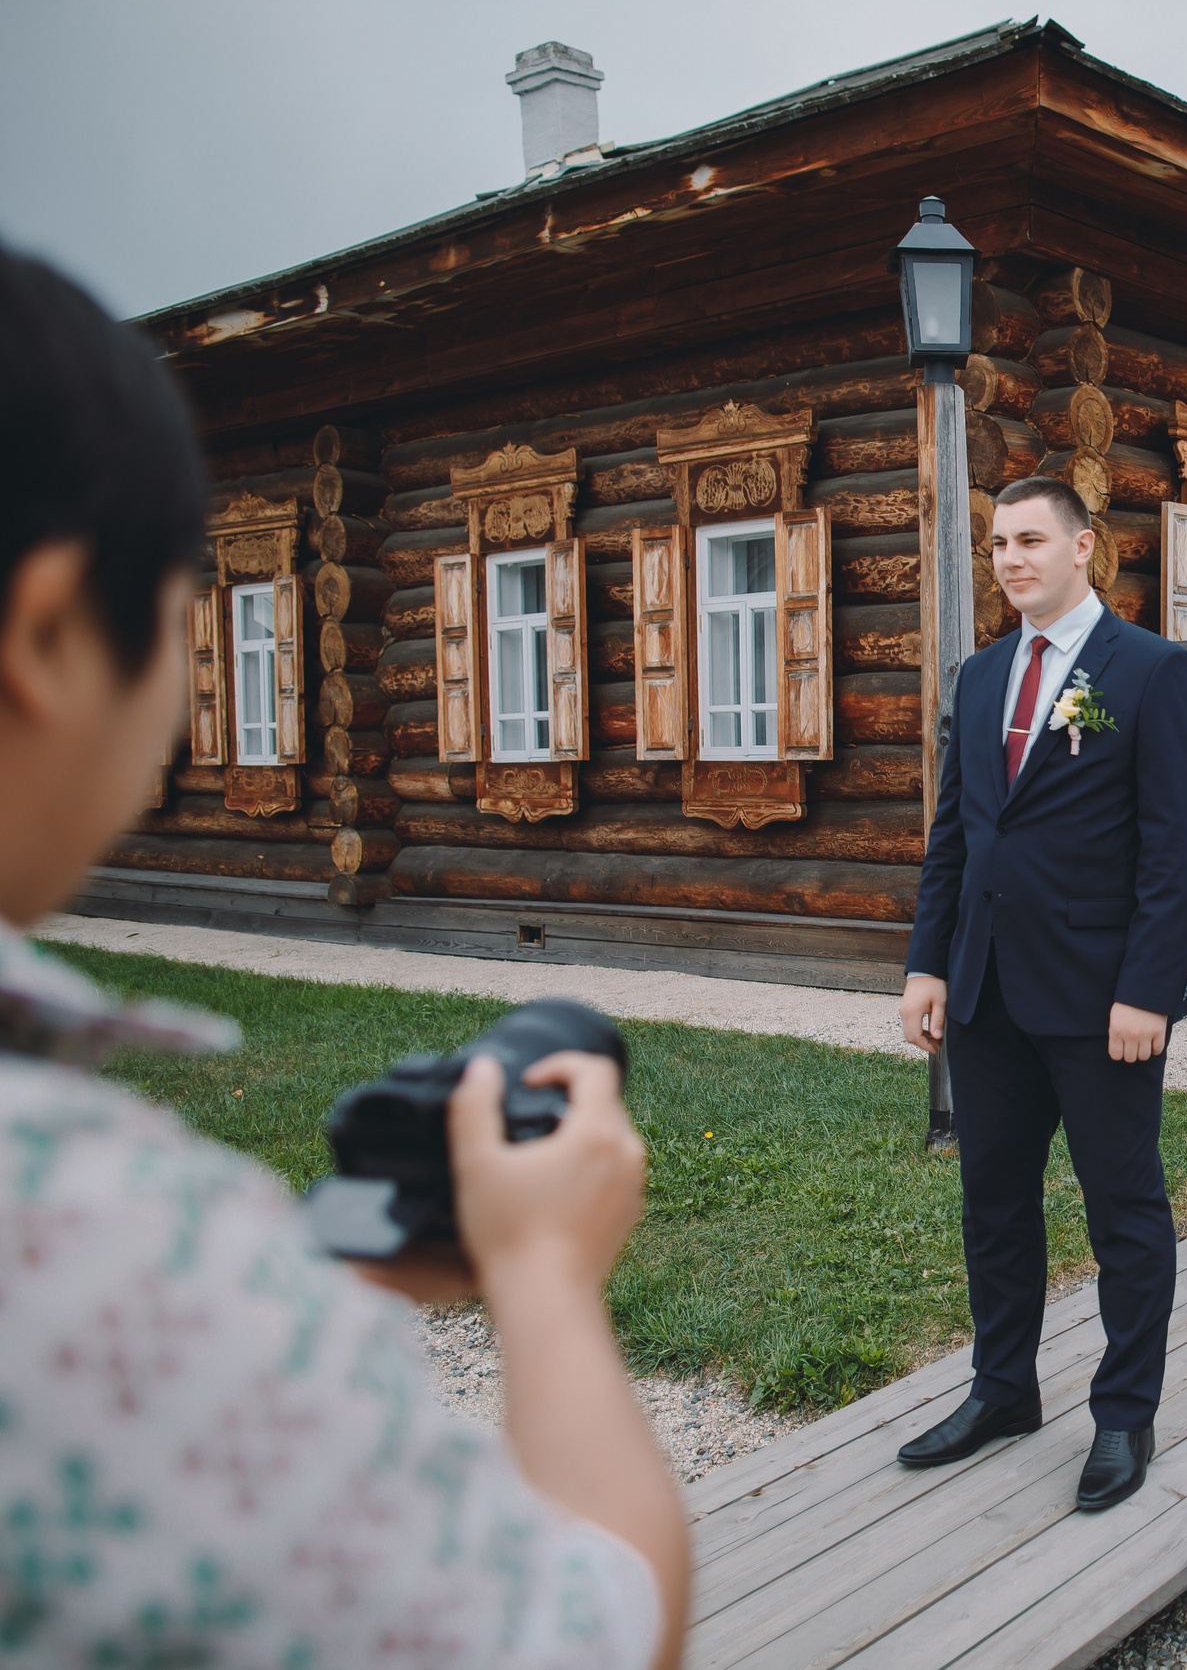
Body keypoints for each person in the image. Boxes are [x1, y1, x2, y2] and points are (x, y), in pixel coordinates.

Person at [0, 245, 687, 1666]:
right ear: (49, 633)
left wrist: (318, 1288)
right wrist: (543, 1273)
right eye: (188, 630)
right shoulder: (93, 1237)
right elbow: (590, 1628)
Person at [897, 475, 1187, 1511]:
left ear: (1084, 548)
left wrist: (1147, 990)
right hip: (985, 988)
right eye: (998, 544)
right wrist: (927, 963)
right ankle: (1002, 1391)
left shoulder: (1151, 670)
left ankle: (1124, 1412)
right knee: (992, 1200)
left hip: (1101, 997)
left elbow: (1175, 847)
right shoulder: (982, 674)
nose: (1010, 560)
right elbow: (957, 835)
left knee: (1122, 1207)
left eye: (1031, 540)